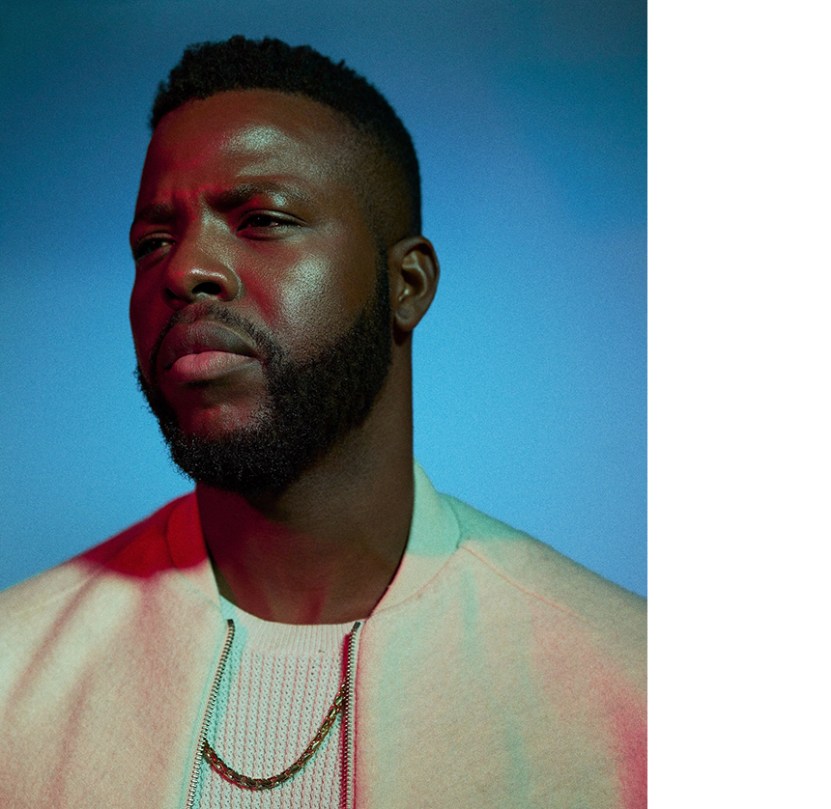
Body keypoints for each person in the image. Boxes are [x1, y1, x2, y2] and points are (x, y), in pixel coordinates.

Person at [0, 36, 645, 808]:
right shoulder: (14, 671)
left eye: (262, 219)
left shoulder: (631, 693)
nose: (183, 270)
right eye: (152, 242)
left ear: (406, 284)